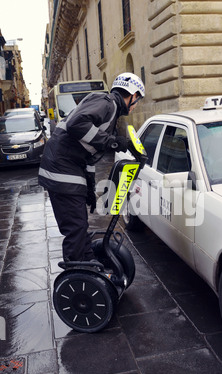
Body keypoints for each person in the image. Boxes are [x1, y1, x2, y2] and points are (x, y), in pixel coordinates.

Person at [38, 72, 145, 262]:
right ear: (133, 94)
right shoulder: (106, 102)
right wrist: (112, 142)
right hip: (62, 171)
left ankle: (87, 262)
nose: (136, 106)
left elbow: (89, 156)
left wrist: (89, 188)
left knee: (80, 226)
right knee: (76, 228)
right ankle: (77, 276)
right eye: (137, 100)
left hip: (68, 169)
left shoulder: (110, 110)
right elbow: (75, 124)